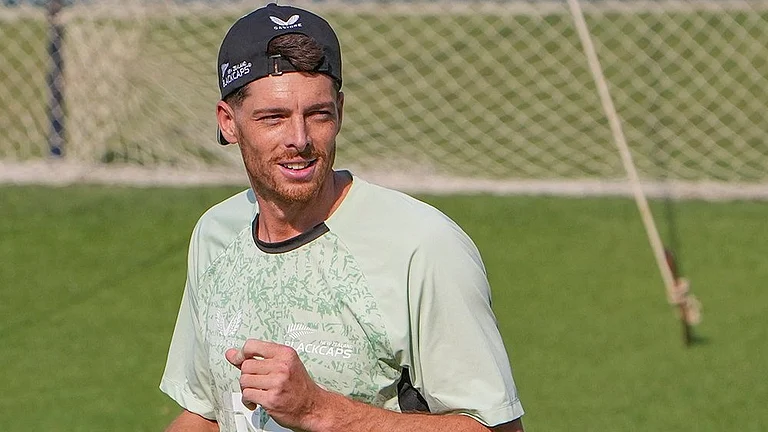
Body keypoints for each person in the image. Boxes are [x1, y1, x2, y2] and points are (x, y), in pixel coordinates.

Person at [160, 3, 525, 431]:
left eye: (318, 114)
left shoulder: (422, 246)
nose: (299, 139)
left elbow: (496, 429)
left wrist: (318, 410)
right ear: (228, 122)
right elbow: (207, 411)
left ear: (340, 111)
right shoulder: (215, 235)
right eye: (273, 118)